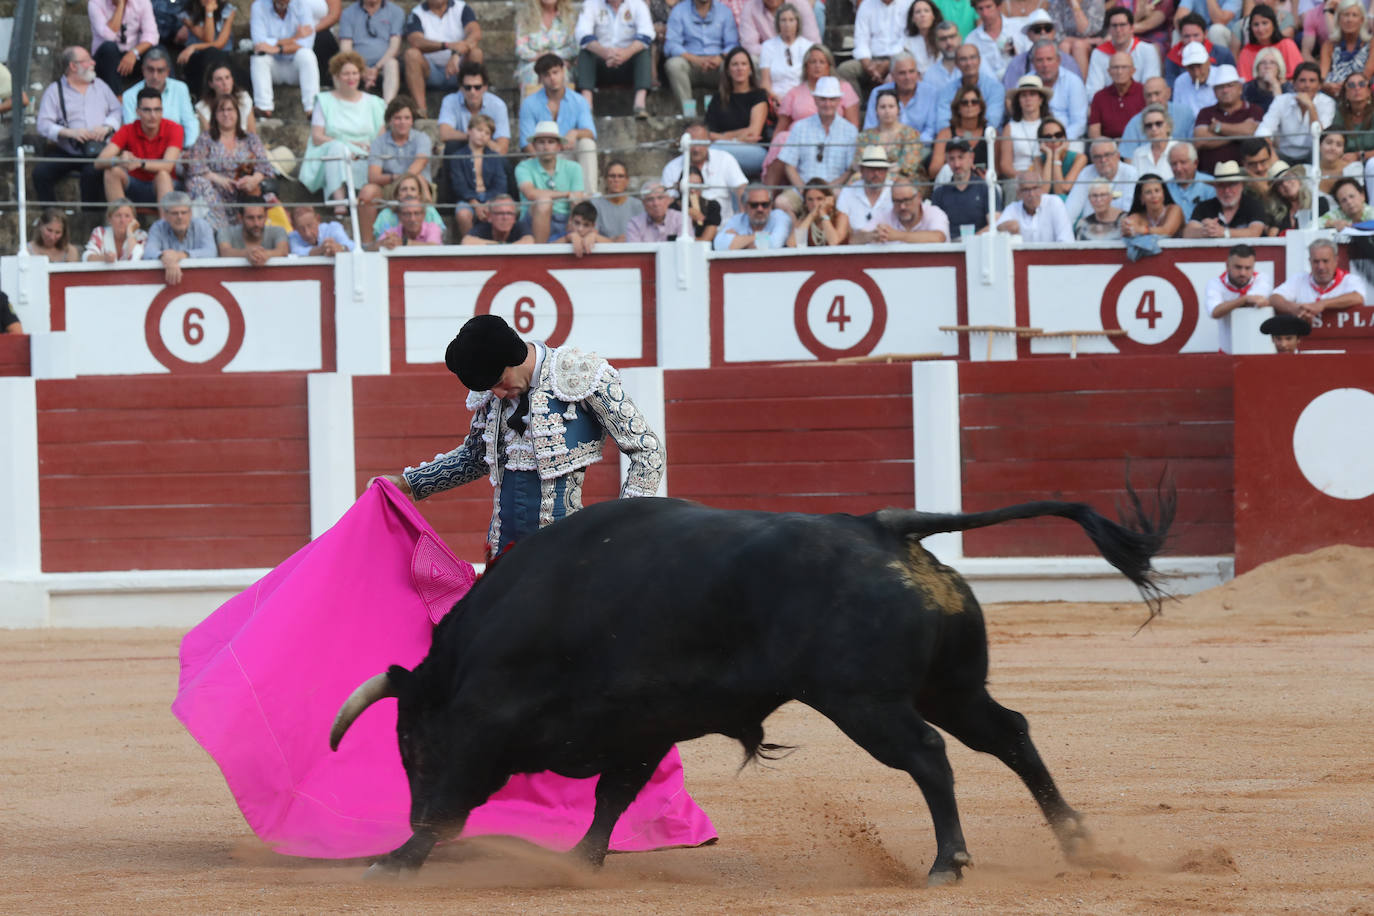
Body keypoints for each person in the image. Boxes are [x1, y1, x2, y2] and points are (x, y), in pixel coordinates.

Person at [383, 312, 664, 565]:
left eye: (499, 383)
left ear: (513, 358)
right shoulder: (493, 397)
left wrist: (622, 526)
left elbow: (648, 453)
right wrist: (407, 483)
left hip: (565, 555)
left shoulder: (582, 376)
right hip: (502, 554)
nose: (499, 395)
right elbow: (473, 459)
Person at [298, 51, 386, 215]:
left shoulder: (375, 103)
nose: (351, 77)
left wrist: (365, 151)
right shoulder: (324, 101)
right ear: (337, 76)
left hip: (366, 152)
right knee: (337, 147)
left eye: (354, 73)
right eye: (346, 73)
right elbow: (317, 137)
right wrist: (348, 146)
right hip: (331, 151)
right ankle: (339, 203)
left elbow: (381, 139)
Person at [35, 47, 124, 208]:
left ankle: (89, 220)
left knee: (92, 174)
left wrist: (106, 127)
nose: (93, 63)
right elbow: (43, 124)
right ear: (73, 66)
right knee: (40, 173)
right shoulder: (55, 91)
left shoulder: (100, 86)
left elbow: (117, 110)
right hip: (69, 150)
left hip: (98, 150)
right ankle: (51, 216)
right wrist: (69, 132)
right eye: (87, 60)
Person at [763, 45, 861, 183]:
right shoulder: (794, 92)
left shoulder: (844, 88)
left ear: (829, 65)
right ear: (806, 66)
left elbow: (853, 125)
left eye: (822, 62)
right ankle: (769, 194)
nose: (817, 66)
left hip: (834, 138)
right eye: (813, 62)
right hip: (799, 139)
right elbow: (781, 127)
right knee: (782, 139)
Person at [185, 94, 275, 231]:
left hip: (243, 190)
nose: (226, 114)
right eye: (222, 110)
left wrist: (253, 179)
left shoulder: (250, 138)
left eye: (230, 110)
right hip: (215, 191)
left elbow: (265, 166)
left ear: (237, 113)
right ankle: (220, 231)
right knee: (197, 182)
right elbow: (195, 166)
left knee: (256, 190)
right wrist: (219, 179)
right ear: (215, 115)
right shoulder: (206, 138)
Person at [519, 55, 599, 194]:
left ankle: (589, 196)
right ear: (540, 78)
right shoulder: (529, 103)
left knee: (587, 144)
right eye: (547, 75)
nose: (552, 78)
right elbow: (527, 144)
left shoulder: (579, 100)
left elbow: (591, 132)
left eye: (555, 72)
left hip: (569, 153)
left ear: (563, 72)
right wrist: (543, 163)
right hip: (543, 156)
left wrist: (575, 132)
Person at [358, 95, 433, 238]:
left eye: (407, 118)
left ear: (412, 120)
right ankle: (367, 244)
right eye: (397, 118)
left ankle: (429, 237)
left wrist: (403, 181)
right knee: (367, 192)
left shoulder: (422, 138)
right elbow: (373, 176)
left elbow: (420, 163)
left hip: (418, 185)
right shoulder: (379, 143)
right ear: (390, 120)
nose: (402, 122)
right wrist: (396, 179)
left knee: (418, 180)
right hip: (390, 187)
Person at [97, 87, 183, 204]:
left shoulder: (175, 128)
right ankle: (121, 219)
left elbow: (167, 166)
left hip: (164, 184)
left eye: (157, 110)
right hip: (134, 183)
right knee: (111, 172)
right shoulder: (127, 129)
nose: (153, 115)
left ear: (162, 111)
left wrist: (140, 163)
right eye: (147, 110)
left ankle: (165, 222)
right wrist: (119, 160)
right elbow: (99, 162)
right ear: (137, 112)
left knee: (163, 175)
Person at [575, 0, 654, 118]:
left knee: (643, 50)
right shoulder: (590, 4)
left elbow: (647, 34)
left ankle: (639, 105)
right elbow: (582, 34)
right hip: (602, 62)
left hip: (628, 64)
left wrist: (627, 53)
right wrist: (604, 52)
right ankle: (587, 105)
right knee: (586, 51)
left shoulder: (637, 4)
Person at [402, 0, 482, 115]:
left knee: (476, 53)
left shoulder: (461, 8)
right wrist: (446, 45)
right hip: (430, 70)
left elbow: (475, 34)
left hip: (459, 69)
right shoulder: (417, 13)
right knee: (411, 54)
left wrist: (456, 54)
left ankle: (471, 107)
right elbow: (416, 41)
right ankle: (421, 111)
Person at [663, 0, 740, 116]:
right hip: (690, 64)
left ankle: (723, 113)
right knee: (673, 64)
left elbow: (733, 44)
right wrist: (695, 59)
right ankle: (688, 114)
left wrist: (720, 58)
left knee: (731, 64)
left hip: (717, 65)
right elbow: (671, 44)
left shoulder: (724, 12)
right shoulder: (679, 10)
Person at [779, 76, 858, 187]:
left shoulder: (850, 131)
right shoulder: (800, 127)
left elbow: (850, 170)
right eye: (823, 99)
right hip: (803, 187)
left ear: (839, 101)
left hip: (836, 190)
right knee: (782, 203)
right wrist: (804, 190)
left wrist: (828, 191)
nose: (827, 104)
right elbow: (789, 165)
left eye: (832, 99)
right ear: (815, 100)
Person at [704, 47, 770, 177]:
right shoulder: (718, 98)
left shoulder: (759, 95)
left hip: (755, 152)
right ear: (728, 70)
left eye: (744, 64)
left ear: (750, 69)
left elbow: (753, 132)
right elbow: (708, 134)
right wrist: (737, 138)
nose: (739, 68)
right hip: (723, 150)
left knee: (713, 151)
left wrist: (723, 137)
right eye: (735, 64)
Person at [250, 0, 322, 118]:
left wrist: (278, 48)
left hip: (295, 68)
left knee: (307, 54)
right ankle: (264, 107)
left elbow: (307, 43)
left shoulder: (303, 6)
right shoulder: (258, 6)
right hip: (272, 68)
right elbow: (259, 43)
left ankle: (312, 108)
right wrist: (295, 37)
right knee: (258, 57)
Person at [517, 119, 585, 242]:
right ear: (534, 146)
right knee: (543, 203)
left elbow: (577, 199)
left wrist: (571, 222)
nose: (546, 147)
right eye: (541, 142)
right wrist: (565, 194)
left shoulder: (574, 167)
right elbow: (531, 193)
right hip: (532, 219)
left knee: (580, 206)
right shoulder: (524, 166)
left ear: (559, 146)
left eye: (551, 142)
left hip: (565, 219)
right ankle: (539, 257)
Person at [662, 122, 747, 218]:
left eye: (700, 143)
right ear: (683, 144)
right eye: (692, 144)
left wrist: (742, 219)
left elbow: (741, 189)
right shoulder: (671, 168)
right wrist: (687, 210)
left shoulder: (725, 159)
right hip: (686, 225)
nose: (696, 149)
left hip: (723, 227)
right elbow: (667, 202)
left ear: (709, 141)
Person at [120, 47, 200, 148]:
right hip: (144, 153)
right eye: (150, 70)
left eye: (160, 71)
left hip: (177, 151)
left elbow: (190, 122)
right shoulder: (130, 96)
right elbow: (131, 132)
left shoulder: (180, 88)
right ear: (143, 70)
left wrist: (189, 149)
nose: (155, 76)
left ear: (168, 71)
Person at [1270, 237, 1367, 321]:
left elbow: (1357, 297)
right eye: (1316, 261)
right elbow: (1274, 298)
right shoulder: (1299, 279)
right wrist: (1294, 308)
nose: (1321, 267)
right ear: (1310, 261)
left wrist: (1322, 304)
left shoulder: (1350, 280)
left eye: (1325, 261)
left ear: (1336, 260)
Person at [1256, 63, 1335, 164]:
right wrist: (1271, 152)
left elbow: (1322, 136)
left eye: (1312, 81)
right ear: (1294, 84)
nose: (1307, 85)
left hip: (1313, 154)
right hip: (1283, 155)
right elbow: (1264, 130)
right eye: (1302, 80)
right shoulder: (1281, 101)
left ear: (1319, 85)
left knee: (1324, 151)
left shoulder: (1327, 102)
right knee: (1262, 148)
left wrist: (1310, 107)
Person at [1192, 65, 1261, 173]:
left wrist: (1219, 127)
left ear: (1240, 88)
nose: (1225, 90)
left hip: (1247, 175)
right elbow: (1200, 140)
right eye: (1220, 87)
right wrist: (1238, 134)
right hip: (1211, 177)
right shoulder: (1205, 112)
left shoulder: (1254, 110)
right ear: (1214, 91)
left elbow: (1253, 132)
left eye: (1230, 85)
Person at [837, 0, 915, 96]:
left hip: (900, 57)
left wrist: (889, 63)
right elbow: (861, 40)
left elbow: (908, 40)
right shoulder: (866, 5)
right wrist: (869, 66)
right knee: (845, 70)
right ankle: (856, 107)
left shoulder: (909, 4)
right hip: (871, 59)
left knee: (902, 68)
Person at [450, 112, 508, 238]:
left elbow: (501, 184)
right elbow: (459, 185)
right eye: (479, 130)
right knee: (463, 214)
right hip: (468, 199)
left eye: (487, 133)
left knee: (502, 211)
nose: (482, 135)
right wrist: (475, 204)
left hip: (491, 198)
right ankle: (471, 245)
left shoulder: (494, 157)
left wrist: (488, 203)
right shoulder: (457, 156)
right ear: (469, 130)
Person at [1206, 243, 1273, 352]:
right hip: (1227, 353)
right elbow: (1214, 312)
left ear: (1253, 267)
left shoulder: (1262, 279)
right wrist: (1244, 299)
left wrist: (1229, 305)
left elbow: (1258, 302)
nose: (1243, 273)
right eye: (1238, 267)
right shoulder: (1215, 283)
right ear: (1227, 265)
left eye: (1248, 268)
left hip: (1258, 353)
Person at [143, 190, 217, 285]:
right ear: (165, 215)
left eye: (184, 212)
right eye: (175, 213)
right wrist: (165, 258)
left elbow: (211, 252)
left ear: (190, 213)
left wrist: (180, 255)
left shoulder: (202, 226)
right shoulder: (158, 227)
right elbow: (148, 252)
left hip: (200, 283)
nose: (180, 217)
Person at [932, 44, 1006, 139]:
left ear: (979, 60)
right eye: (963, 59)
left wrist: (968, 134)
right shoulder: (947, 91)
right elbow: (942, 123)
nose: (969, 63)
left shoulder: (995, 88)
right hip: (954, 142)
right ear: (956, 64)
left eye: (973, 58)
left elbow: (992, 121)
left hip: (986, 140)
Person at [338, 0, 406, 102]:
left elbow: (394, 47)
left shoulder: (396, 11)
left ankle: (388, 108)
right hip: (357, 64)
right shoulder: (348, 13)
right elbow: (345, 47)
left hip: (383, 64)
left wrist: (376, 67)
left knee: (392, 64)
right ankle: (344, 105)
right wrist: (361, 68)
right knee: (339, 64)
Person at [1085, 6, 1160, 98]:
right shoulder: (1098, 53)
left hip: (1139, 105)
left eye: (1122, 25)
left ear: (1132, 28)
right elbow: (1093, 91)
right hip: (1109, 104)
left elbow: (1150, 87)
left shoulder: (1148, 50)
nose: (1118, 30)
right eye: (1114, 26)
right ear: (1109, 30)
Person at [89, 0, 159, 95]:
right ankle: (116, 98)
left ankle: (164, 96)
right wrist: (120, 5)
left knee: (157, 52)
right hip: (106, 61)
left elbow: (152, 35)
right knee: (109, 48)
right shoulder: (95, 3)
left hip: (133, 57)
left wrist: (134, 53)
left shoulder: (143, 2)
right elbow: (109, 35)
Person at [1182, 159, 1267, 237]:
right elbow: (1187, 233)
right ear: (1215, 187)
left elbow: (1255, 232)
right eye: (1221, 185)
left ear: (1242, 185)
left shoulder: (1254, 205)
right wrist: (1204, 231)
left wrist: (1224, 232)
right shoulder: (1204, 207)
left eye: (1232, 184)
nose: (1227, 190)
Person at [1064, 137, 1140, 222]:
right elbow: (1070, 210)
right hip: (1091, 229)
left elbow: (1128, 211)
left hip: (1120, 228)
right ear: (1092, 160)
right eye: (1097, 156)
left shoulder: (1130, 173)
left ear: (1118, 156)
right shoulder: (1086, 173)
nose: (1103, 160)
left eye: (1107, 155)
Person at [853, 88, 923, 179]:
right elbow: (857, 163)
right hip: (871, 177)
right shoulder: (865, 136)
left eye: (891, 106)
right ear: (876, 111)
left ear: (898, 109)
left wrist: (880, 171)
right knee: (855, 178)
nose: (887, 111)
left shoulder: (910, 134)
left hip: (903, 178)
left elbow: (908, 165)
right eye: (882, 107)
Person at [514, 0, 578, 97]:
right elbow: (521, 49)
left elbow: (574, 48)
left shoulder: (569, 17)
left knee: (560, 71)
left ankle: (562, 110)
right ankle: (531, 110)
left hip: (560, 62)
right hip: (532, 63)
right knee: (533, 72)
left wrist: (553, 57)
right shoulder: (525, 17)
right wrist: (542, 57)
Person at [935, 136, 1000, 231]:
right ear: (947, 161)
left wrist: (972, 242)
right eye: (952, 159)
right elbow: (935, 228)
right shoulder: (939, 193)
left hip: (979, 243)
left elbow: (995, 224)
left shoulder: (987, 189)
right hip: (949, 244)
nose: (957, 164)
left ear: (971, 157)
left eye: (961, 157)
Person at [928, 85, 991, 181]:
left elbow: (997, 170)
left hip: (981, 185)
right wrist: (955, 162)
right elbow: (933, 171)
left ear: (980, 107)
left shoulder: (990, 133)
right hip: (952, 184)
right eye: (964, 103)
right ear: (958, 107)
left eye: (974, 102)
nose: (969, 105)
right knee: (945, 170)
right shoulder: (945, 134)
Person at [176, 0, 236, 100]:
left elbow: (220, 44)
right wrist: (209, 12)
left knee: (216, 55)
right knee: (209, 54)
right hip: (198, 59)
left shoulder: (228, 10)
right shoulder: (187, 13)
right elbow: (209, 38)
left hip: (223, 57)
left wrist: (194, 46)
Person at [1027, 39, 1086, 140]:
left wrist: (1058, 139)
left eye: (1049, 59)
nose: (1045, 65)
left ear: (1058, 60)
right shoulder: (1026, 82)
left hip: (1068, 139)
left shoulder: (1073, 81)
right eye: (1040, 60)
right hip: (1033, 139)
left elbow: (1079, 123)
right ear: (1033, 62)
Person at [758, 3, 815, 101]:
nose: (787, 25)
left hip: (802, 98)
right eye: (783, 20)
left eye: (791, 20)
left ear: (798, 23)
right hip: (776, 98)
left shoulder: (808, 47)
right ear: (778, 23)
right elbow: (765, 83)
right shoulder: (767, 46)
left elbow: (811, 81)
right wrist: (776, 98)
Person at [838, 146, 894, 244]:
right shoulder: (848, 192)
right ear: (862, 171)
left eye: (880, 169)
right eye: (871, 169)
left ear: (886, 172)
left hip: (891, 250)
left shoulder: (896, 191)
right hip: (856, 252)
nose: (876, 174)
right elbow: (842, 233)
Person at [998, 170, 1073, 240]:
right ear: (1018, 193)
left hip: (1054, 254)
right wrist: (1005, 227)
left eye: (1035, 188)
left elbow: (1066, 241)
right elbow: (995, 231)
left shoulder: (1055, 203)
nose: (1031, 194)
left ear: (1041, 189)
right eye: (1026, 190)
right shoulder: (1012, 208)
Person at [1162, 12, 1235, 84]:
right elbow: (1171, 86)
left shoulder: (1222, 53)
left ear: (1205, 34)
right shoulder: (1173, 57)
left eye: (1196, 35)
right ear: (1181, 36)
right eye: (1187, 36)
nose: (1191, 41)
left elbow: (1232, 83)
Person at [999, 74, 1049, 176]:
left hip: (1045, 178)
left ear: (1040, 99)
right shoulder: (1010, 128)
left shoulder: (1050, 125)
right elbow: (1005, 165)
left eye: (1032, 94)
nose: (1028, 99)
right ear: (1019, 101)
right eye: (1024, 95)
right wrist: (1024, 179)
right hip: (1017, 179)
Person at [1087, 51, 1145, 139]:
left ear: (1133, 71)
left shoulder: (1144, 92)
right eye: (1115, 67)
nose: (1119, 72)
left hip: (1138, 143)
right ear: (1109, 71)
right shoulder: (1099, 97)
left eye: (1124, 67)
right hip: (1109, 147)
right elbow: (1094, 131)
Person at [1237, 3, 1301, 82]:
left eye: (1265, 23)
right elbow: (1244, 83)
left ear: (1273, 24)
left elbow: (1298, 77)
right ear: (1251, 28)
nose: (1260, 29)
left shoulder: (1287, 44)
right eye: (1256, 24)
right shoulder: (1246, 51)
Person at [714, 184, 791, 249]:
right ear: (745, 206)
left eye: (765, 205)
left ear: (771, 205)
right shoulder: (737, 219)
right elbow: (718, 244)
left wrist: (738, 241)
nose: (760, 209)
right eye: (754, 205)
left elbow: (774, 244)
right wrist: (759, 237)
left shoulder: (780, 217)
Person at [876, 177, 950, 243]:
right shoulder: (886, 215)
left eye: (907, 200)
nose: (902, 206)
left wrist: (897, 236)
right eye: (897, 201)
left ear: (919, 197)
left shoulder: (934, 213)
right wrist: (870, 236)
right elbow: (864, 234)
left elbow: (938, 238)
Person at [373, 172, 446, 237]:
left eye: (413, 189)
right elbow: (381, 243)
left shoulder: (430, 211)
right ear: (397, 194)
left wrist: (405, 242)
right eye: (404, 189)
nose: (408, 193)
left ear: (419, 194)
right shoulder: (386, 215)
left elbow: (437, 240)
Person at [218, 199, 291, 263]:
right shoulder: (226, 232)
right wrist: (247, 254)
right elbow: (225, 252)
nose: (256, 223)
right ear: (240, 218)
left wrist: (264, 254)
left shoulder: (278, 231)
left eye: (260, 217)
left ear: (266, 216)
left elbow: (283, 250)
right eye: (250, 218)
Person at [1319, 0, 1368, 98]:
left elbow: (1367, 75)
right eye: (1346, 15)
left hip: (1360, 90)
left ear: (1361, 20)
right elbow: (1322, 76)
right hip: (1333, 90)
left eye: (1354, 15)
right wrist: (1326, 85)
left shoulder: (1371, 43)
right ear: (1339, 19)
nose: (1349, 19)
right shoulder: (1329, 44)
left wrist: (1347, 86)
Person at [861, 52, 921, 132]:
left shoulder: (930, 93)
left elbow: (931, 129)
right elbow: (870, 126)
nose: (908, 77)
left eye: (911, 71)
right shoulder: (877, 93)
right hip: (883, 143)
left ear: (917, 73)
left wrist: (914, 142)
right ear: (893, 76)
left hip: (922, 143)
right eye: (902, 73)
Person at [195, 63, 257, 135]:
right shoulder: (202, 107)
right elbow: (210, 139)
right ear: (211, 84)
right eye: (219, 79)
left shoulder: (244, 98)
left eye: (227, 77)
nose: (225, 83)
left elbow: (252, 132)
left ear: (232, 80)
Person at [591, 159, 644, 241]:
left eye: (620, 176)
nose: (616, 180)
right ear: (605, 180)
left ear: (627, 180)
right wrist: (614, 240)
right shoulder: (595, 205)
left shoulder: (638, 205)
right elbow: (591, 236)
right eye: (612, 176)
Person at [964, 0, 1015, 83]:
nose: (985, 13)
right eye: (980, 9)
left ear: (998, 7)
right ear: (976, 11)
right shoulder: (971, 40)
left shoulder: (1017, 28)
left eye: (988, 7)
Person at [1051, 0, 1106, 77]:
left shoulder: (1095, 2)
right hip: (1068, 42)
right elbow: (1057, 35)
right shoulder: (1058, 3)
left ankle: (1081, 85)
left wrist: (1075, 6)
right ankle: (1064, 82)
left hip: (1093, 43)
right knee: (1064, 46)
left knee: (1078, 46)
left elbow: (1085, 31)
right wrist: (1085, 41)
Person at [788, 178, 850, 246]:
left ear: (829, 199)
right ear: (805, 203)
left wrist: (823, 213)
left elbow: (834, 242)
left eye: (819, 199)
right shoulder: (802, 221)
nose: (815, 204)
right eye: (810, 199)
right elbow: (791, 244)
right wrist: (811, 216)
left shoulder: (841, 217)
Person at [1032, 117, 1084, 196]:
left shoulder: (1079, 158)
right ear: (1041, 141)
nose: (1054, 140)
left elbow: (1061, 191)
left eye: (1058, 135)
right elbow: (1043, 191)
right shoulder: (1038, 160)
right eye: (1048, 137)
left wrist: (1056, 156)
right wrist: (1050, 157)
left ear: (1064, 137)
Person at [83, 198, 148, 261]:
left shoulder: (141, 235)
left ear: (134, 219)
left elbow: (136, 258)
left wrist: (130, 232)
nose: (122, 220)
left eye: (127, 216)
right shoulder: (100, 232)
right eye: (118, 215)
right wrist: (105, 258)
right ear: (109, 218)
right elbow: (87, 257)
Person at [1122, 172, 1184, 236]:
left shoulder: (1175, 210)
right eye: (1148, 192)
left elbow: (1167, 231)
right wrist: (1127, 228)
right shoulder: (1138, 216)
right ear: (1141, 198)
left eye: (1157, 190)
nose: (1154, 196)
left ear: (1164, 194)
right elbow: (1129, 226)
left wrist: (1143, 230)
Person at [1165, 142, 1215, 218]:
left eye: (1183, 162)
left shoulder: (1211, 184)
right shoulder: (1165, 187)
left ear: (1195, 163)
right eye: (1174, 164)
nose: (1178, 168)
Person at [1331, 73, 1374, 159]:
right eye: (1351, 85)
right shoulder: (1339, 115)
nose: (1357, 88)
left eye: (1362, 84)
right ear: (1346, 94)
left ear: (1369, 91)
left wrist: (1359, 156)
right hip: (1346, 163)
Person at [463, 194, 537, 244]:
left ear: (515, 218)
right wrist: (500, 245)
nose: (505, 217)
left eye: (509, 213)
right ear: (489, 217)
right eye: (500, 213)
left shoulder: (520, 226)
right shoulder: (483, 227)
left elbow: (529, 241)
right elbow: (467, 241)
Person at [672, 166, 721, 240]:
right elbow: (671, 238)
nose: (693, 191)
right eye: (689, 186)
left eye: (696, 186)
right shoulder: (672, 207)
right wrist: (686, 214)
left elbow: (706, 239)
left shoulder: (712, 206)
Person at [1267, 162, 1317, 233]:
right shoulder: (1278, 214)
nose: (1285, 184)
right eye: (1279, 183)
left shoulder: (1318, 203)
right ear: (1277, 192)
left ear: (1298, 177)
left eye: (1287, 177)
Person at [372, 197, 444, 247]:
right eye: (407, 214)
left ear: (423, 215)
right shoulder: (393, 231)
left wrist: (404, 242)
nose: (412, 219)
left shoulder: (433, 228)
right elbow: (369, 249)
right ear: (399, 216)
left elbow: (434, 247)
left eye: (416, 213)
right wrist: (383, 243)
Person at [1172, 41, 1217, 119]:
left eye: (1199, 66)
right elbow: (1177, 114)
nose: (1196, 73)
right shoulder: (1180, 82)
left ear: (1208, 62)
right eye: (1191, 67)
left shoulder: (1221, 77)